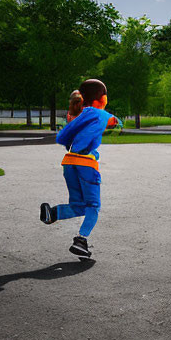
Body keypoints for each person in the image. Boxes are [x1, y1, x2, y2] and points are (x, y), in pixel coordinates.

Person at [39, 79, 122, 259]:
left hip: (69, 163)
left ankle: (52, 213)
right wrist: (115, 123)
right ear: (103, 98)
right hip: (86, 165)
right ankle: (81, 240)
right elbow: (117, 122)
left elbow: (62, 138)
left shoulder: (79, 116)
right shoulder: (101, 114)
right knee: (93, 206)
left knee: (79, 206)